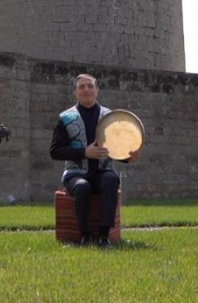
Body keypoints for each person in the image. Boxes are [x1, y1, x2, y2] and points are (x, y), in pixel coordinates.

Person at [49, 73, 140, 247]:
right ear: (75, 92)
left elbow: (117, 147)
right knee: (82, 187)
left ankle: (104, 236)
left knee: (112, 179)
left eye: (90, 86)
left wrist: (129, 157)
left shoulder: (110, 117)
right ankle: (85, 235)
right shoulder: (65, 118)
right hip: (75, 173)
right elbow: (55, 151)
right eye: (81, 87)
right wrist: (85, 152)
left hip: (102, 171)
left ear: (97, 90)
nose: (86, 90)